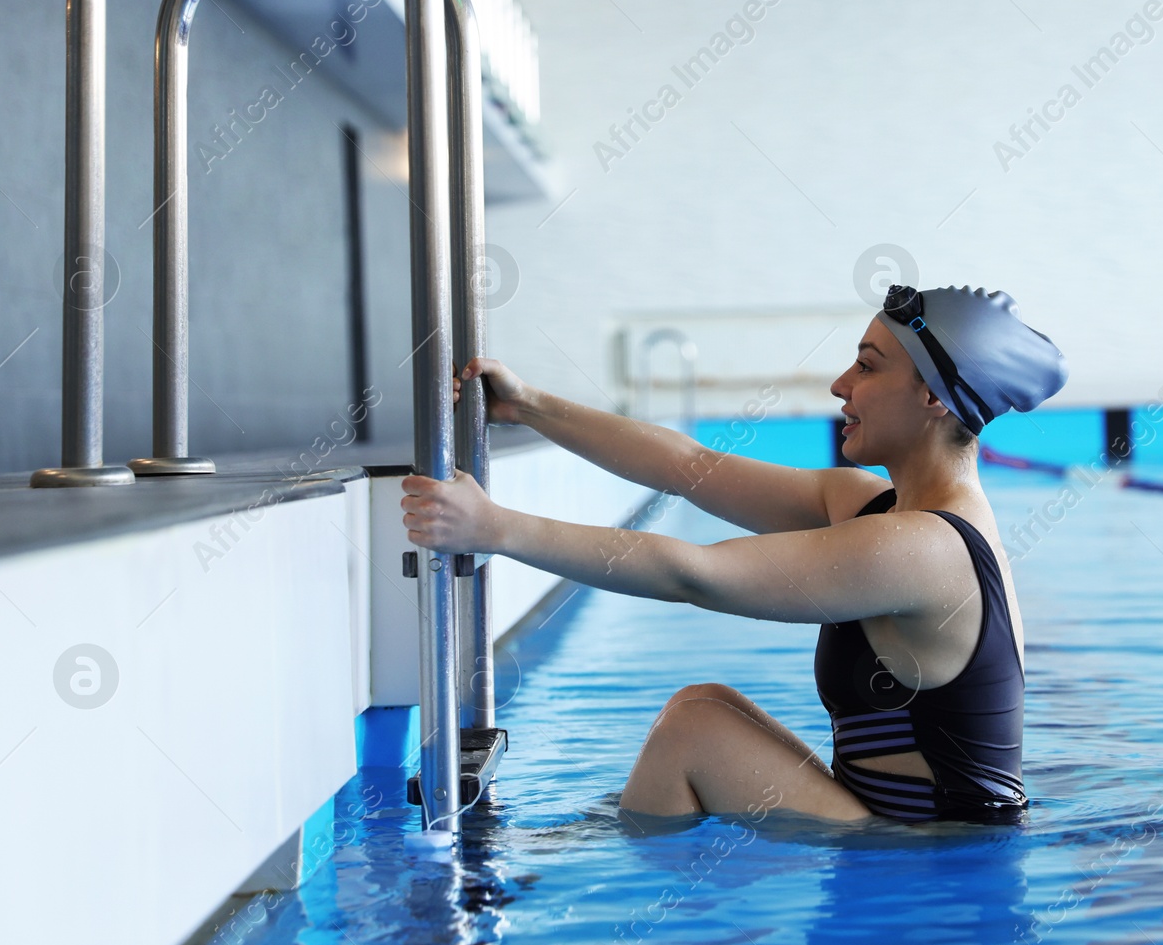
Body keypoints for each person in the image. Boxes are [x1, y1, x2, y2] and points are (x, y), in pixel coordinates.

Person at [401, 284, 1068, 824]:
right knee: (704, 706)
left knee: (695, 730)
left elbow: (697, 572)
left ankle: (619, 920)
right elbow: (691, 466)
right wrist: (531, 406)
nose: (840, 385)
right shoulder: (879, 505)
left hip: (944, 874)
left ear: (931, 396)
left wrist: (495, 527)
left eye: (867, 366)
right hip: (902, 841)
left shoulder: (929, 548)